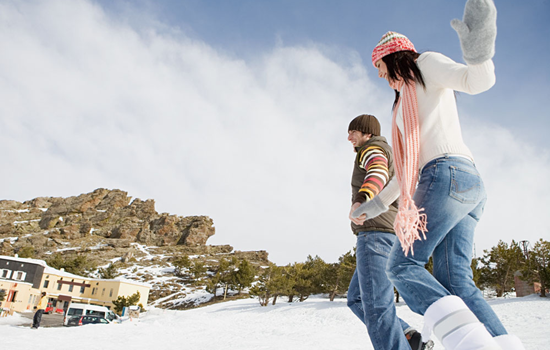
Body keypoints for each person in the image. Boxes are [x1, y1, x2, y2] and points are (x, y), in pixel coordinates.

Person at [351, 1, 525, 349]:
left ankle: (473, 345)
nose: (380, 75)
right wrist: (372, 207)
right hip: (466, 184)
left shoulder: (424, 65)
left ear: (393, 56)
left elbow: (475, 82)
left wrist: (479, 54)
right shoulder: (404, 103)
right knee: (455, 281)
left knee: (401, 267)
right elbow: (405, 170)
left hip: (446, 175)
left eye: (380, 66)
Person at [346, 114, 432, 350]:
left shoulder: (372, 149)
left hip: (375, 234)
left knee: (375, 304)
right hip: (385, 234)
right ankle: (406, 335)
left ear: (367, 133)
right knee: (357, 299)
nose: (349, 137)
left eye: (353, 132)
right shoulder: (384, 150)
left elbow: (378, 172)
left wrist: (362, 198)